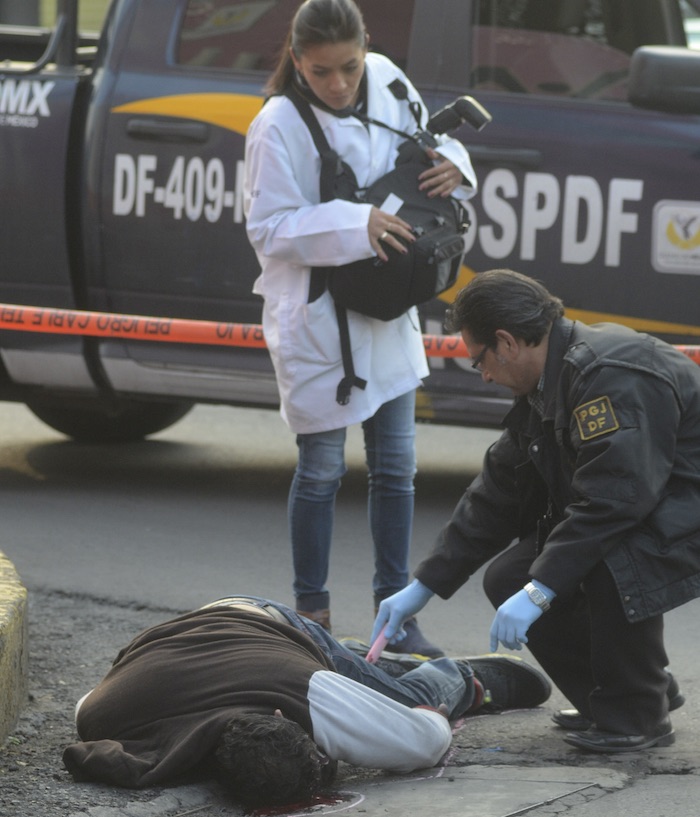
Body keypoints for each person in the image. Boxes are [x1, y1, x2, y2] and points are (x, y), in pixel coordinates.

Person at [372, 268, 700, 754]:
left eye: (478, 360)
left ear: (506, 342)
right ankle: (615, 694)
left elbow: (614, 501)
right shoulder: (551, 379)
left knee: (611, 559)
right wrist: (424, 585)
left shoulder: (607, 375)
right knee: (510, 576)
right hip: (647, 500)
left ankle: (637, 715)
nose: (482, 374)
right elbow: (500, 491)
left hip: (678, 505)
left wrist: (543, 589)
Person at [243, 0, 477, 655]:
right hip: (320, 318)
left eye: (348, 66)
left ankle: (395, 615)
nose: (340, 84)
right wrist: (354, 223)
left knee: (397, 468)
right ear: (296, 61)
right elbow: (267, 227)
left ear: (366, 44)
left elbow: (427, 141)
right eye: (321, 73)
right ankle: (310, 619)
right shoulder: (276, 125)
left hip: (389, 307)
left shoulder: (388, 78)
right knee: (320, 472)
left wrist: (455, 165)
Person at [62, 595, 551, 810]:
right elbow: (96, 694)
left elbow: (425, 737)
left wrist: (432, 713)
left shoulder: (308, 695)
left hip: (273, 624)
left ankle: (456, 676)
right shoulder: (97, 716)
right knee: (365, 679)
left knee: (403, 699)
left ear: (283, 718)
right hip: (212, 629)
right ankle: (392, 664)